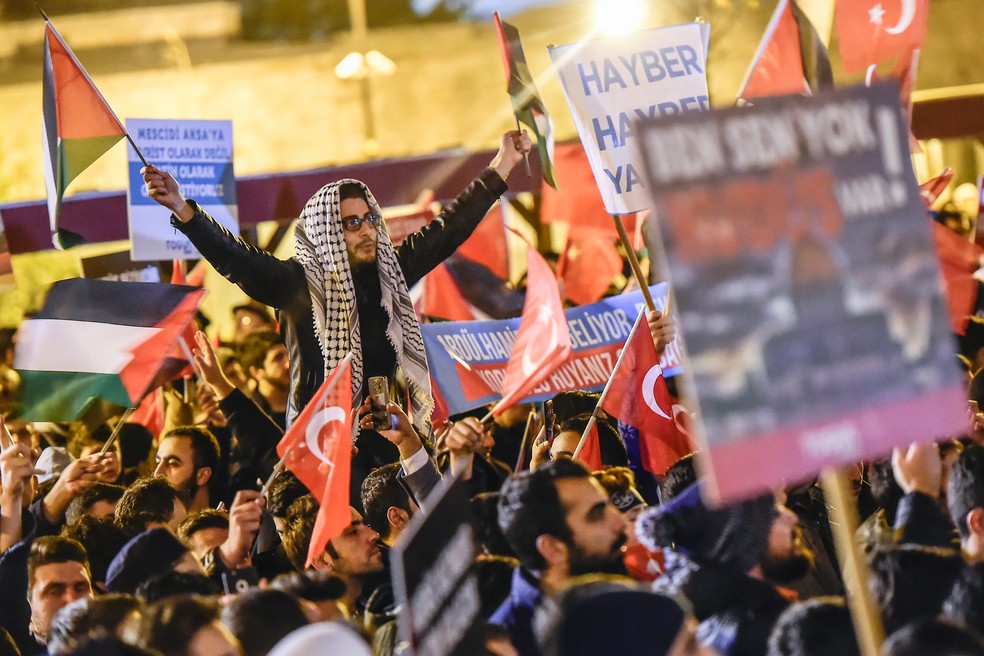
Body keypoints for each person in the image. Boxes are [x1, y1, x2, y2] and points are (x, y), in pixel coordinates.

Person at [141, 129, 532, 438]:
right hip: (319, 444)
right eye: (351, 223)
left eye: (370, 219)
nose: (367, 230)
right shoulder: (294, 283)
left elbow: (448, 229)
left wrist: (503, 164)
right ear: (325, 230)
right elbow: (234, 256)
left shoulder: (390, 272)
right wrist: (182, 208)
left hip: (386, 436)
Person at [637, 482, 814, 656]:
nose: (792, 517)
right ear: (744, 543)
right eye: (774, 513)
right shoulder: (764, 634)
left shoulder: (720, 612)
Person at [492, 458, 630, 656]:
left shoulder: (610, 577)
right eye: (597, 514)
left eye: (609, 505)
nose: (620, 522)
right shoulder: (509, 647)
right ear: (553, 549)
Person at [154, 427, 223, 514]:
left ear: (202, 475)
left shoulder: (228, 522)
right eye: (158, 462)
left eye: (172, 464)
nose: (157, 473)